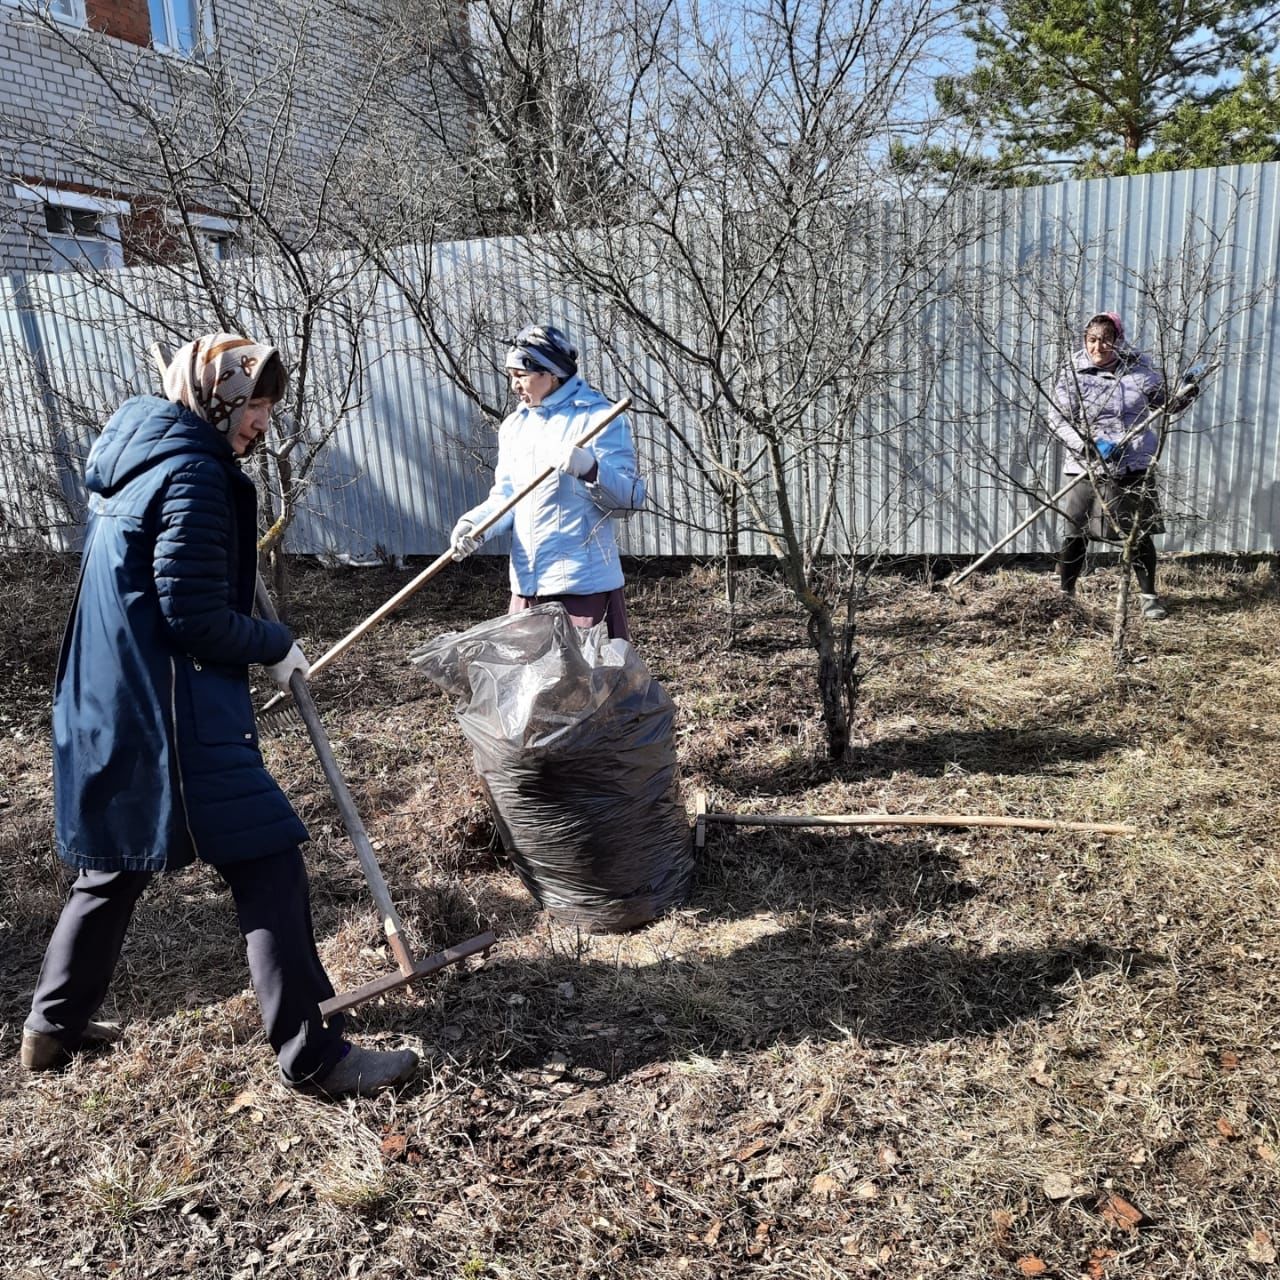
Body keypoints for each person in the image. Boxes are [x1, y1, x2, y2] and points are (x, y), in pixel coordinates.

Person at [21, 332, 417, 1099]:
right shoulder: (195, 476)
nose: (264, 422)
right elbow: (195, 616)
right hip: (173, 716)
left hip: (111, 706)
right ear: (220, 397)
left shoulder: (135, 463)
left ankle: (51, 1027)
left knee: (112, 869)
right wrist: (274, 642)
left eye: (268, 406)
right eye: (256, 404)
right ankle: (314, 1057)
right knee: (269, 861)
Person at [448, 324, 646, 639]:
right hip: (529, 585)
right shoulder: (515, 427)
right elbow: (507, 498)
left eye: (520, 375)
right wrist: (475, 525)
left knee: (586, 685)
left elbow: (632, 498)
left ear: (550, 374)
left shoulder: (599, 418)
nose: (513, 386)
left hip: (583, 588)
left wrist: (591, 468)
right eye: (510, 375)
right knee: (530, 685)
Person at [1049, 311, 1195, 620]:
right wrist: (1086, 445)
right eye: (1091, 340)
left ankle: (1148, 597)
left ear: (1118, 340)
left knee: (1139, 534)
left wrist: (1187, 392)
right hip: (1085, 466)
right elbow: (1057, 420)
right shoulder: (1072, 374)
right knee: (1075, 532)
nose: (1098, 348)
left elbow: (1166, 405)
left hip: (1132, 465)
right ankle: (1066, 595)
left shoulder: (1139, 371)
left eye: (1105, 340)